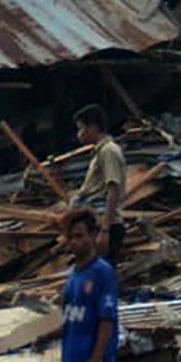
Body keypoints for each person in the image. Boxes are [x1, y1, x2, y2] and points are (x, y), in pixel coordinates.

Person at [61, 210, 118, 362]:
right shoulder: (72, 277)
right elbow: (71, 317)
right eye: (70, 237)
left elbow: (106, 318)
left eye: (79, 236)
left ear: (93, 235)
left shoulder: (102, 273)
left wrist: (97, 358)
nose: (74, 242)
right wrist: (45, 337)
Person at [71, 104, 126, 265]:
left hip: (106, 223)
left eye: (81, 128)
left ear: (93, 128)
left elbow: (113, 189)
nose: (79, 134)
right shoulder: (99, 152)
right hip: (96, 222)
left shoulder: (108, 151)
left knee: (102, 273)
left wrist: (105, 229)